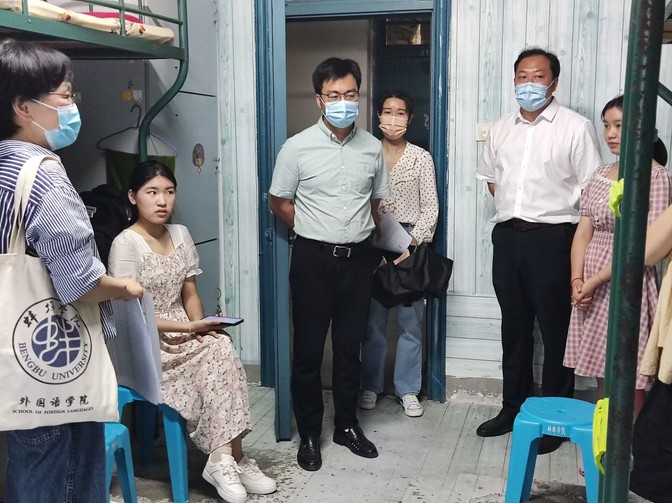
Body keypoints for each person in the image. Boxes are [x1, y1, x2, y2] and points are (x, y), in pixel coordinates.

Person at [0, 39, 144, 502]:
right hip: (52, 360)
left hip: (12, 350)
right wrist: (123, 287)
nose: (72, 106)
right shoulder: (44, 175)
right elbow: (80, 284)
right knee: (62, 476)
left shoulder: (3, 165)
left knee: (29, 467)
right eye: (64, 96)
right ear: (23, 106)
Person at [108, 161, 276, 503]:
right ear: (133, 197)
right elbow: (131, 316)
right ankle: (229, 457)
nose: (162, 201)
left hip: (182, 329)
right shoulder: (126, 243)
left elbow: (190, 293)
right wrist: (189, 327)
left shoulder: (180, 234)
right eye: (152, 192)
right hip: (144, 340)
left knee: (219, 345)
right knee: (216, 353)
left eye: (169, 192)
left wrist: (202, 327)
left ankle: (226, 457)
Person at [475, 47, 602, 454]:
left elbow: (591, 189)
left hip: (554, 239)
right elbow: (492, 180)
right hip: (508, 238)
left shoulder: (575, 127)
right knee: (513, 327)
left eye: (538, 76)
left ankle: (555, 418)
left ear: (554, 82)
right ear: (514, 80)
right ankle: (512, 408)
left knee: (555, 329)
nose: (528, 83)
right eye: (522, 76)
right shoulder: (500, 129)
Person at [269, 57, 390, 471]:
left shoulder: (372, 148)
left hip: (358, 261)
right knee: (307, 350)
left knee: (350, 348)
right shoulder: (297, 147)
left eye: (350, 94)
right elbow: (278, 201)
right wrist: (310, 229)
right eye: (334, 95)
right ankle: (309, 433)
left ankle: (347, 426)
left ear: (359, 95)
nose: (343, 102)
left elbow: (375, 204)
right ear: (319, 100)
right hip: (312, 260)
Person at [564, 95, 670, 417]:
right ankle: (605, 440)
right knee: (602, 371)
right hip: (590, 280)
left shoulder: (656, 177)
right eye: (607, 125)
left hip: (626, 280)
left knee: (628, 375)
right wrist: (577, 279)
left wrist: (594, 281)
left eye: (619, 126)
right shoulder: (600, 173)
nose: (610, 134)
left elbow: (646, 247)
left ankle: (632, 445)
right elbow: (583, 231)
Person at [359, 89, 439, 417]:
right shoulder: (366, 153)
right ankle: (370, 385)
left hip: (409, 244)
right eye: (388, 112)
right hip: (370, 241)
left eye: (400, 113)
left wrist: (413, 242)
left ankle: (408, 389)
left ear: (410, 118)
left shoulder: (421, 157)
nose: (393, 119)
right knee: (373, 322)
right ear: (378, 115)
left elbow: (430, 207)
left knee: (410, 323)